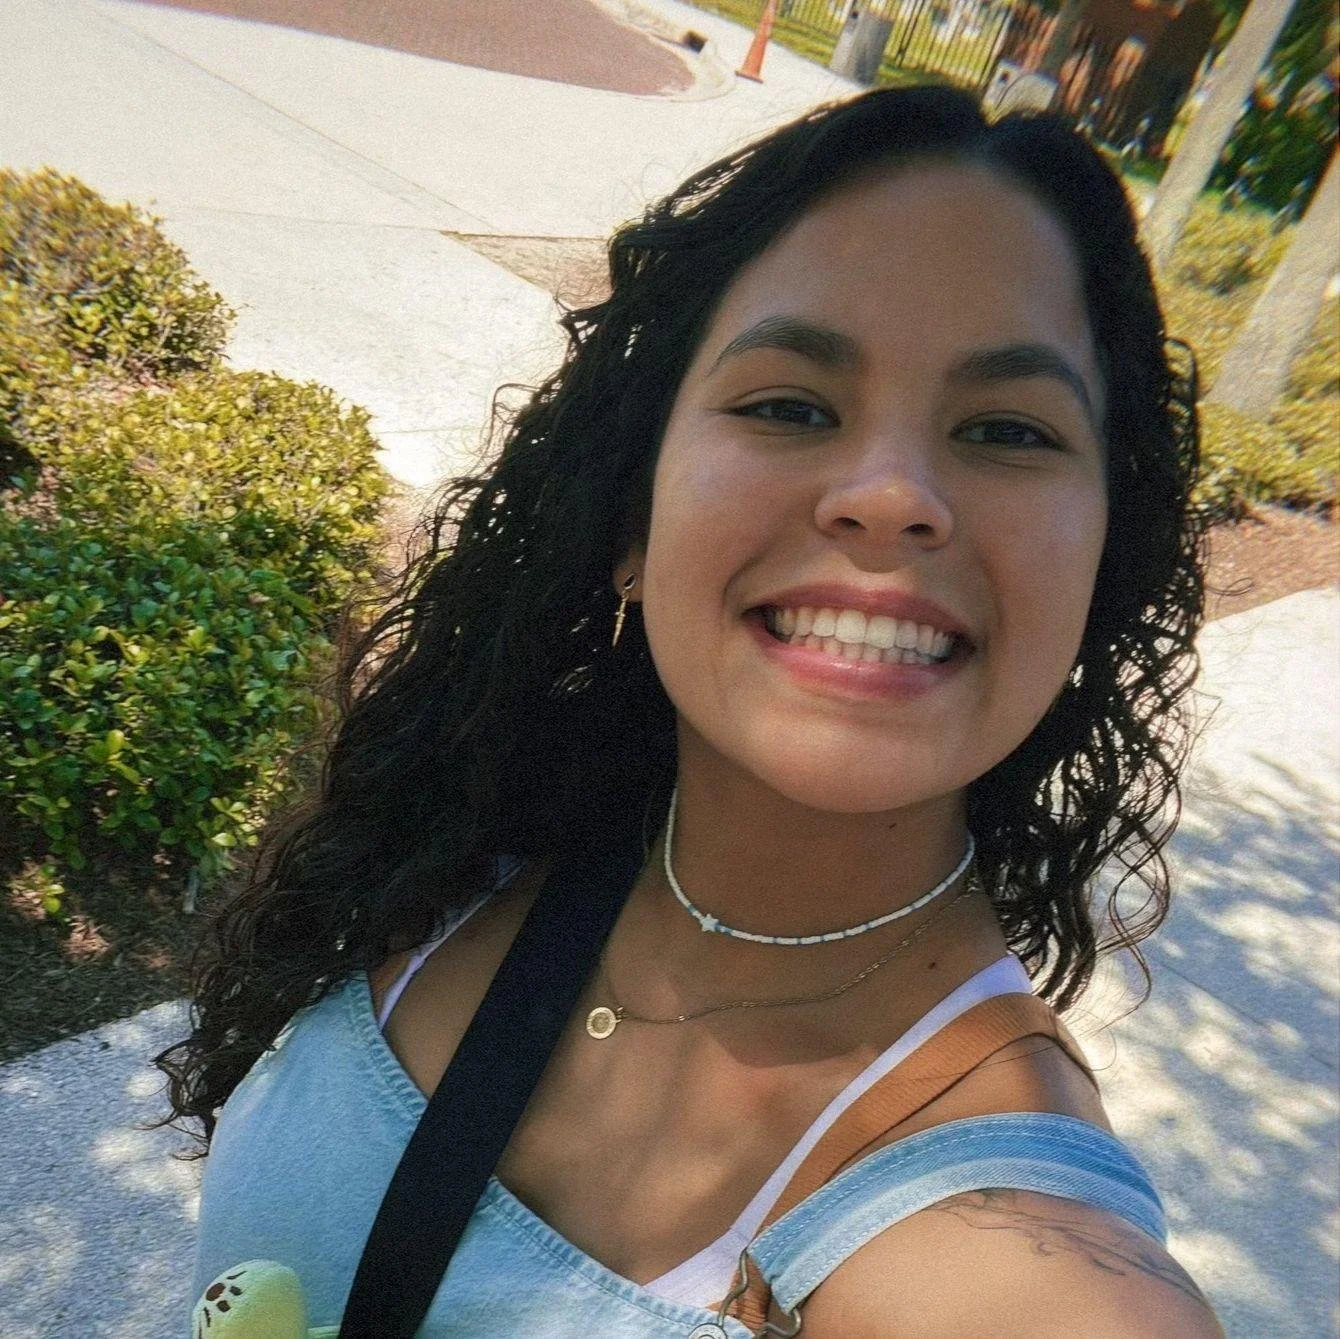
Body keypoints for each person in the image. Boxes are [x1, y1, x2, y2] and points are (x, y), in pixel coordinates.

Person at [157, 84, 1225, 1337]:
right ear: (630, 518)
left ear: (1100, 567)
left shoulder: (1022, 1258)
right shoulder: (460, 836)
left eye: (1004, 428)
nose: (888, 496)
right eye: (788, 406)